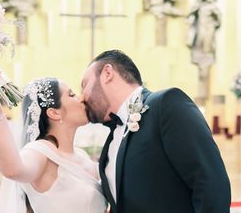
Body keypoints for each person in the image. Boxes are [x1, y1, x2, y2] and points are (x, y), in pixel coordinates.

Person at [81, 49, 231, 213]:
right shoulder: (112, 140)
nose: (82, 97)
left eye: (85, 85)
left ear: (107, 73)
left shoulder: (166, 104)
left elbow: (210, 182)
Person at [0, 60, 107, 213]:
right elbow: (12, 170)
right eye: (72, 95)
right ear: (54, 112)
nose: (82, 98)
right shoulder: (40, 152)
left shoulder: (82, 155)